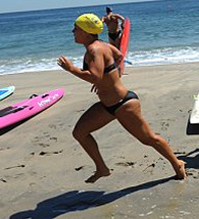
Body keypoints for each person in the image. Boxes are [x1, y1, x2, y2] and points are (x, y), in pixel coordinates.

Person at [58, 14, 186, 182]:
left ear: (86, 32)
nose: (72, 31)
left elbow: (95, 76)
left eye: (76, 28)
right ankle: (102, 169)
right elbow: (118, 57)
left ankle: (177, 163)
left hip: (123, 105)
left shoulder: (94, 49)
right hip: (108, 106)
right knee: (80, 132)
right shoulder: (103, 46)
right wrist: (107, 79)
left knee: (148, 138)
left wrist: (71, 69)